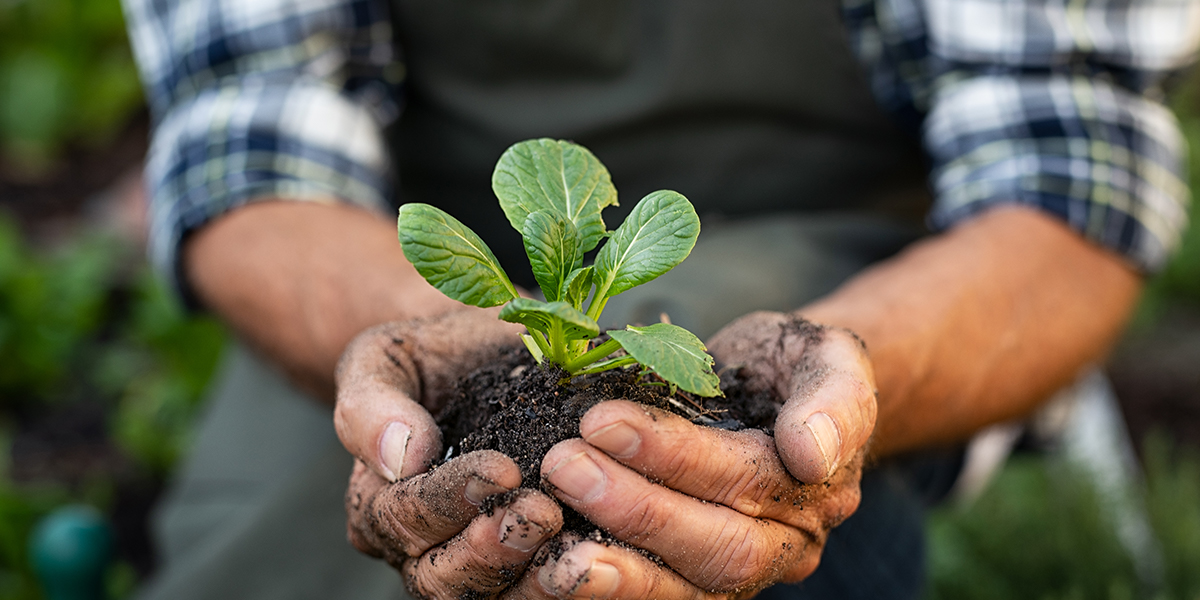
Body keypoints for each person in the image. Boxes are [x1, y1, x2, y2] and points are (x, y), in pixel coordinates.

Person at [122, 0, 1197, 598]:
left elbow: (1062, 185)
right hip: (388, 267)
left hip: (863, 253)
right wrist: (407, 341)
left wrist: (853, 381)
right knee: (279, 558)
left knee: (695, 505)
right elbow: (249, 147)